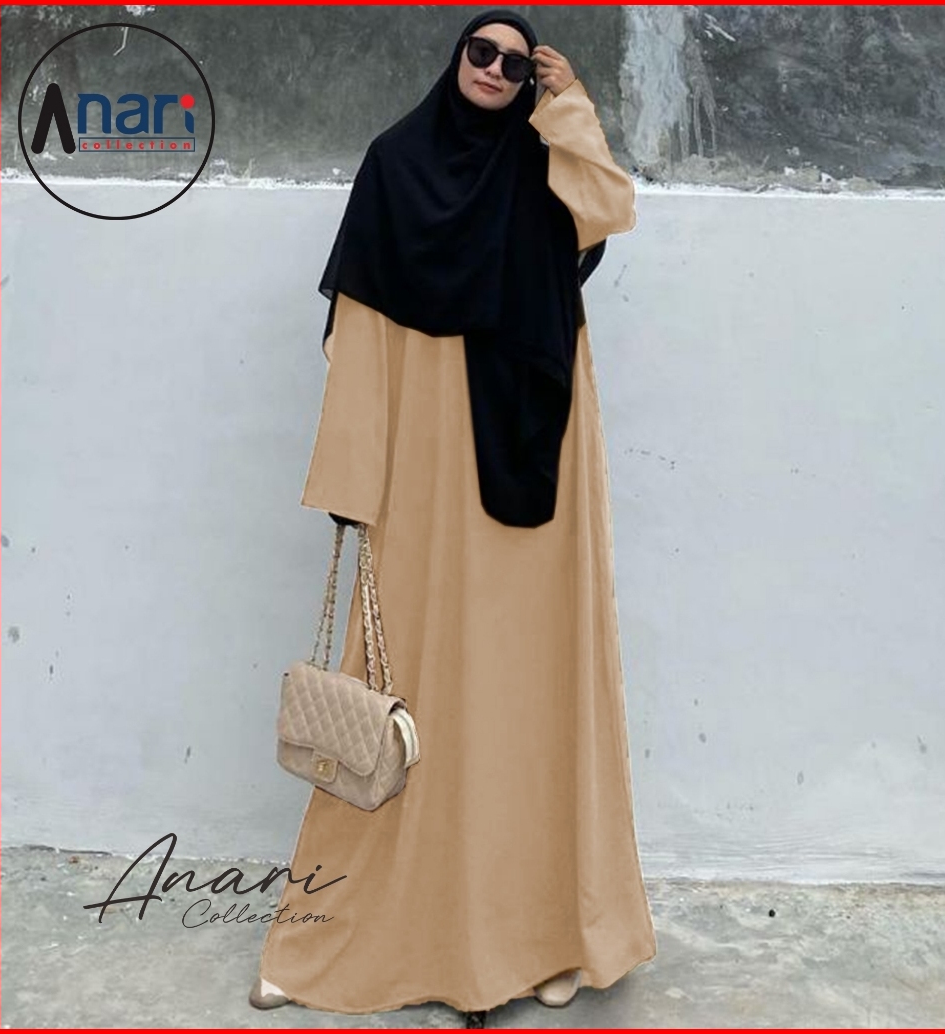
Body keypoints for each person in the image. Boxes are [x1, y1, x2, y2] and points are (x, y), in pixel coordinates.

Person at [251, 7, 656, 1021]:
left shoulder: (541, 164)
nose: (494, 70)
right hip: (429, 469)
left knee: (529, 693)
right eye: (481, 51)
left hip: (539, 468)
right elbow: (359, 329)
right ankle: (351, 929)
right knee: (417, 685)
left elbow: (608, 206)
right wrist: (355, 482)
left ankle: (544, 935)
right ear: (453, 59)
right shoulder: (395, 166)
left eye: (515, 63)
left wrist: (569, 105)